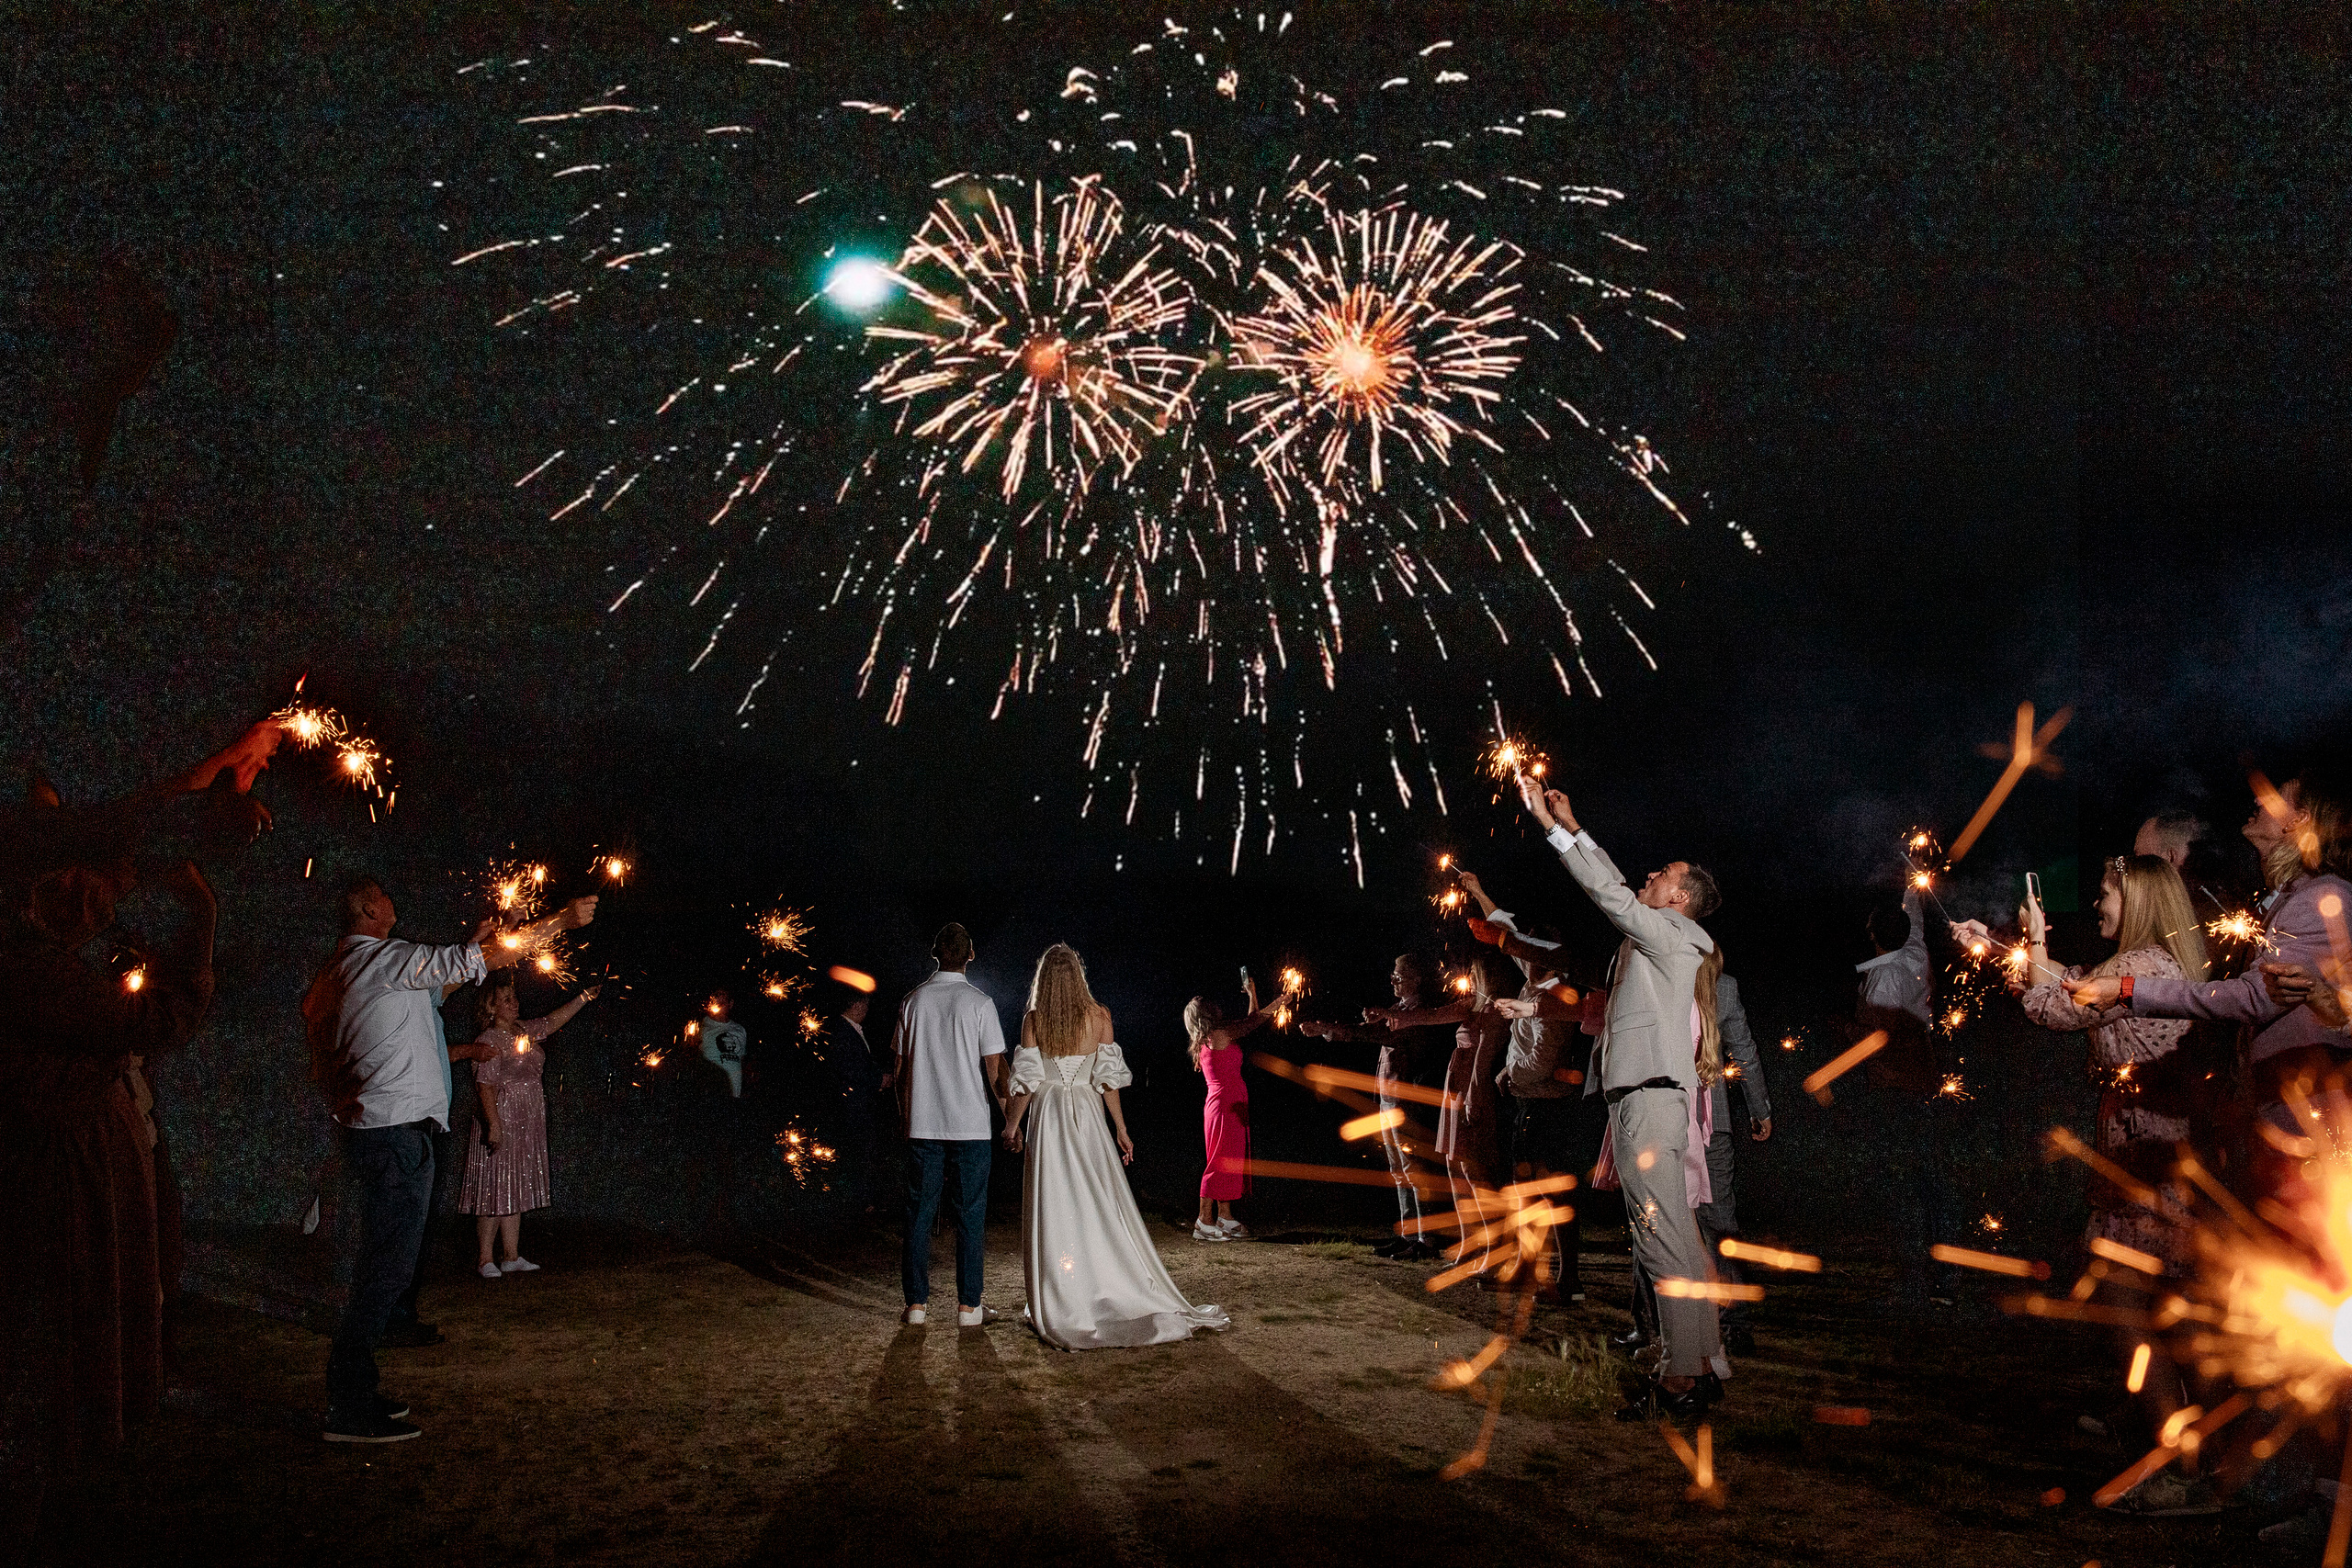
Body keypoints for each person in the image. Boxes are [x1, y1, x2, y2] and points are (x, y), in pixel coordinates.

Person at [302, 877, 595, 1442]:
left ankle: (357, 1388)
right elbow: (484, 959)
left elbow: (438, 987)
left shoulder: (345, 972)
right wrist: (559, 923)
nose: (394, 901)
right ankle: (348, 1405)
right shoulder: (386, 960)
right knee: (385, 1269)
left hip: (373, 1134)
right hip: (395, 1137)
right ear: (368, 910)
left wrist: (467, 952)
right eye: (385, 896)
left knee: (379, 1268)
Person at [0, 856, 214, 1517]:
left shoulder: (40, 963)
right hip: (61, 1171)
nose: (92, 903)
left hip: (72, 1163)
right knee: (73, 1303)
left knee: (91, 1299)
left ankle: (74, 1447)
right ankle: (56, 1471)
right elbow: (147, 1023)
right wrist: (201, 918)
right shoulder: (31, 967)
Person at [1516, 773, 1724, 1418]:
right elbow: (1617, 888)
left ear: (1680, 897)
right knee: (1677, 1238)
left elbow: (1608, 893)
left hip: (1648, 1102)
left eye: (1662, 873)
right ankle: (1700, 1359)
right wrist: (1575, 826)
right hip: (1651, 1100)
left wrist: (1552, 832)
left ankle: (1682, 1378)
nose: (1649, 875)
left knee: (1659, 1236)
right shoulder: (1666, 936)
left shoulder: (1673, 934)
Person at [2007, 854, 2212, 1509]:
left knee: (2128, 1313)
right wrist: (2019, 947)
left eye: (2105, 893)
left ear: (2142, 901)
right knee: (2163, 1316)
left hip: (2147, 1159)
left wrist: (2032, 941)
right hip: (2154, 1150)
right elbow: (2072, 986)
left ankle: (2176, 1466)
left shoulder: (2143, 966)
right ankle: (2192, 1458)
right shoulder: (2146, 963)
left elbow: (2054, 1008)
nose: (2096, 903)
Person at [2067, 773, 2352, 1169]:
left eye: (2272, 798)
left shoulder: (2323, 899)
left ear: (2298, 820)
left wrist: (2128, 989)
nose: (2258, 799)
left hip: (2310, 1127)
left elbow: (2254, 998)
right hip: (2273, 1118)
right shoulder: (2286, 899)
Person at [1001, 945, 1230, 1348]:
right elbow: (1107, 1081)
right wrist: (1120, 1128)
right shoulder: (1099, 1017)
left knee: (1058, 1202)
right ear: (1077, 976)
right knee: (1095, 1200)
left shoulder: (1035, 1020)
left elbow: (1030, 1080)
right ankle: (1090, 1283)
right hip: (1087, 1113)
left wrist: (1012, 1124)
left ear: (1043, 980)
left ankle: (1063, 1294)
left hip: (1052, 1116)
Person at [892, 923, 1008, 1328]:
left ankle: (917, 1305)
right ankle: (969, 1307)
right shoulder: (980, 1003)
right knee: (970, 1215)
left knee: (918, 1215)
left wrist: (905, 1116)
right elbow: (996, 1072)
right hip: (971, 1126)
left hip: (924, 1124)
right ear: (971, 954)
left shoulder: (913, 1001)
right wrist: (1012, 1121)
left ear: (935, 953)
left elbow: (901, 1069)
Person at [1300, 953, 1446, 1259]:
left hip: (1406, 1102)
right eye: (1392, 974)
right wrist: (1328, 1030)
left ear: (1417, 979)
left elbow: (1379, 1034)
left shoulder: (1419, 1012)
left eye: (1400, 975)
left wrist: (1333, 1028)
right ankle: (1409, 1235)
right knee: (1398, 1169)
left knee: (1414, 1169)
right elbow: (1369, 1029)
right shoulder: (1397, 1009)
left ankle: (1426, 1240)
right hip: (1388, 1099)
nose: (1393, 980)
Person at [459, 975, 601, 1279]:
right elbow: (484, 1086)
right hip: (502, 1117)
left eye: (515, 997)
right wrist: (493, 1127)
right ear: (492, 1006)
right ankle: (485, 1259)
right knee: (493, 1186)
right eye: (507, 999)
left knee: (514, 1184)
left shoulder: (523, 1031)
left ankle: (511, 1255)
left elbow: (551, 1022)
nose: (515, 1002)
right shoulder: (488, 1040)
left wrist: (583, 998)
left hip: (526, 1120)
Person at [1374, 951, 1517, 1229]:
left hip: (1474, 1089)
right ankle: (1468, 1246)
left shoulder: (1494, 1010)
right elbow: (1431, 1016)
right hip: (1457, 1088)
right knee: (1454, 1168)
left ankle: (1492, 1242)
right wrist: (1388, 1014)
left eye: (1474, 974)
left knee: (1473, 1168)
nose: (1469, 979)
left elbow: (1483, 1060)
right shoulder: (1469, 1004)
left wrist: (1473, 1097)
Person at [1186, 976, 1282, 1241]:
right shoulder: (1218, 1035)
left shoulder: (1213, 1035)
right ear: (1209, 1013)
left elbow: (1249, 1022)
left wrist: (1252, 993)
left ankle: (1225, 1217)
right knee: (1219, 1161)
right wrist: (1280, 1002)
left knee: (1229, 1161)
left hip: (1227, 1105)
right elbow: (1255, 1022)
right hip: (1224, 1106)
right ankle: (1203, 1222)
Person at [821, 993, 888, 1212]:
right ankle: (855, 1201)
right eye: (865, 1005)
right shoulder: (841, 1031)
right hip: (850, 1105)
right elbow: (849, 1067)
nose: (867, 1010)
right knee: (857, 1151)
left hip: (859, 1103)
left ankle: (861, 1198)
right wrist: (879, 1079)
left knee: (863, 1150)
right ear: (857, 1004)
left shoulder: (852, 1030)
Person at [700, 989, 748, 1098]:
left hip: (734, 1094)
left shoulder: (740, 1030)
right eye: (716, 997)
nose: (719, 1005)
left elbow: (742, 1062)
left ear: (730, 1004)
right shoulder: (702, 1026)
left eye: (722, 1003)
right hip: (710, 1093)